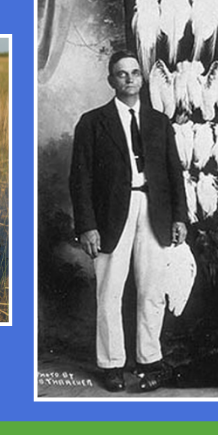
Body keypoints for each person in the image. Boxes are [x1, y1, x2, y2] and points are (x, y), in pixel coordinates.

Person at [70, 50, 188, 392]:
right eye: (122, 74)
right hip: (109, 216)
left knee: (152, 290)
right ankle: (111, 364)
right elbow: (80, 180)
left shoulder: (159, 122)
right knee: (110, 291)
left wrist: (180, 217)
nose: (129, 79)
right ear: (111, 80)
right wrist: (87, 226)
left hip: (154, 209)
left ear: (142, 78)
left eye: (135, 72)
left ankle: (150, 358)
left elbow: (174, 174)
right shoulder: (93, 122)